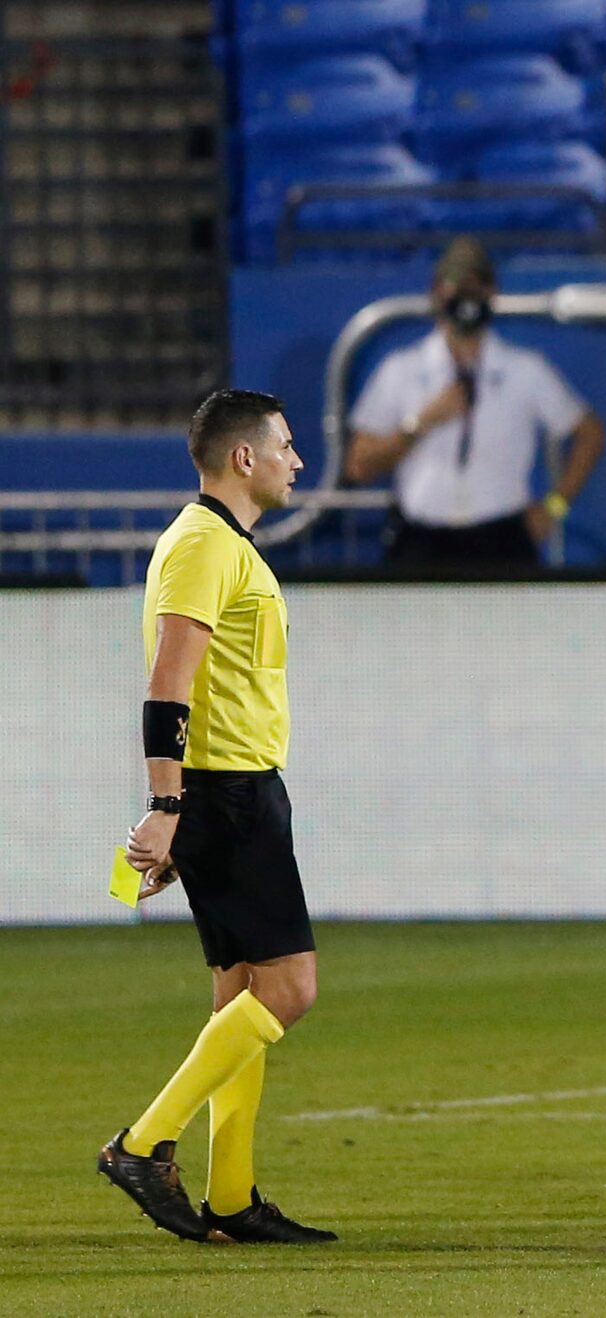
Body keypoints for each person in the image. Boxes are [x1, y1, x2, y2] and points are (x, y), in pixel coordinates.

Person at [96, 390, 336, 1245]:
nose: (296, 461)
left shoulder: (215, 544)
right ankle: (141, 1143)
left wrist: (176, 812)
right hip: (225, 792)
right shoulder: (203, 544)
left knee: (241, 993)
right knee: (291, 989)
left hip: (228, 791)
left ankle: (230, 1198)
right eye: (287, 444)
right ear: (245, 458)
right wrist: (168, 806)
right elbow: (169, 683)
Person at [345, 237, 604, 568]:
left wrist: (554, 507)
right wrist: (419, 425)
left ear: (492, 294)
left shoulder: (524, 370)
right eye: (457, 286)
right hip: (422, 541)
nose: (467, 298)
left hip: (502, 539)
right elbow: (358, 464)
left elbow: (590, 433)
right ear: (436, 294)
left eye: (477, 286)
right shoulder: (402, 370)